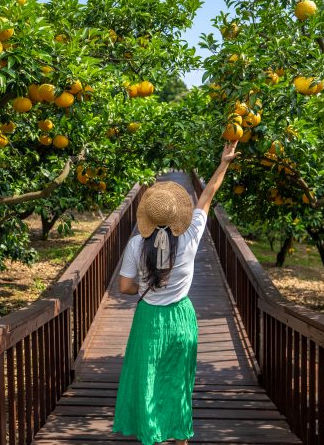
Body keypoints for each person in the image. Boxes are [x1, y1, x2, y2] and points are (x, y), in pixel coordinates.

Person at [112, 141, 240, 445]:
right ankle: (180, 439)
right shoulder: (191, 235)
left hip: (148, 321)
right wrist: (224, 162)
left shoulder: (135, 245)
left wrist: (144, 287)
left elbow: (125, 288)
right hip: (182, 319)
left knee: (149, 384)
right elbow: (207, 194)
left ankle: (152, 436)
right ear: (177, 215)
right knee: (179, 386)